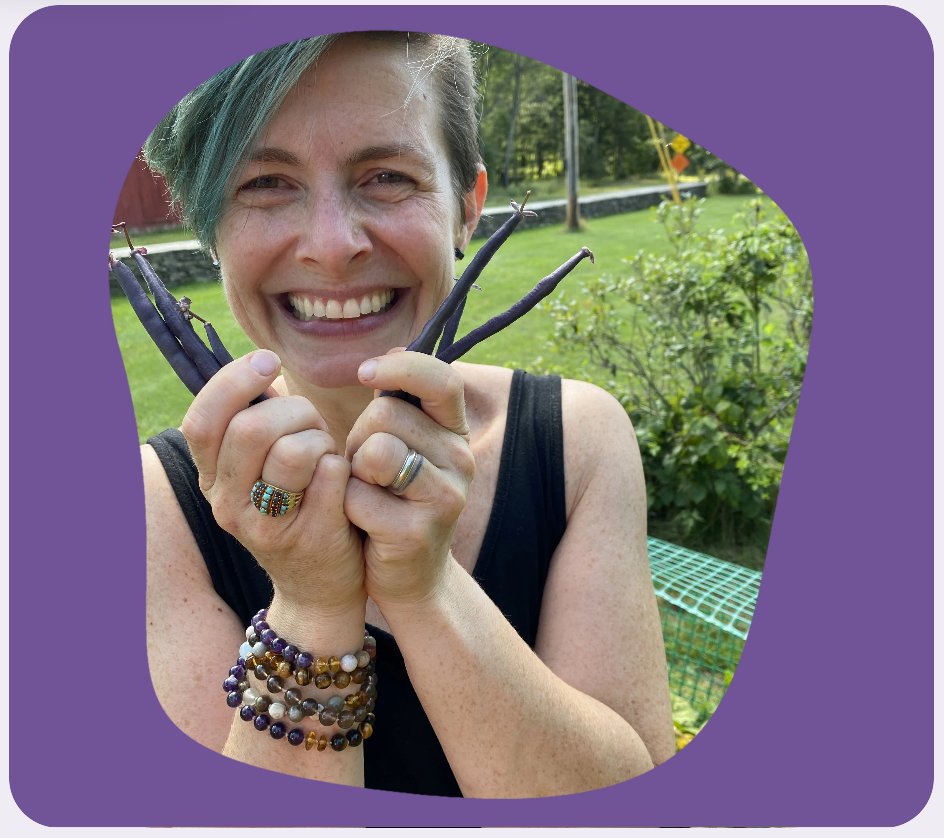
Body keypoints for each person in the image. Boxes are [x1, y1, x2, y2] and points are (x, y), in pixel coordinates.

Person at [141, 31, 675, 798]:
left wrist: (424, 586)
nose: (331, 246)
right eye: (263, 183)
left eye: (387, 176)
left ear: (466, 209)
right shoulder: (161, 503)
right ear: (212, 231)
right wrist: (310, 598)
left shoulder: (577, 439)